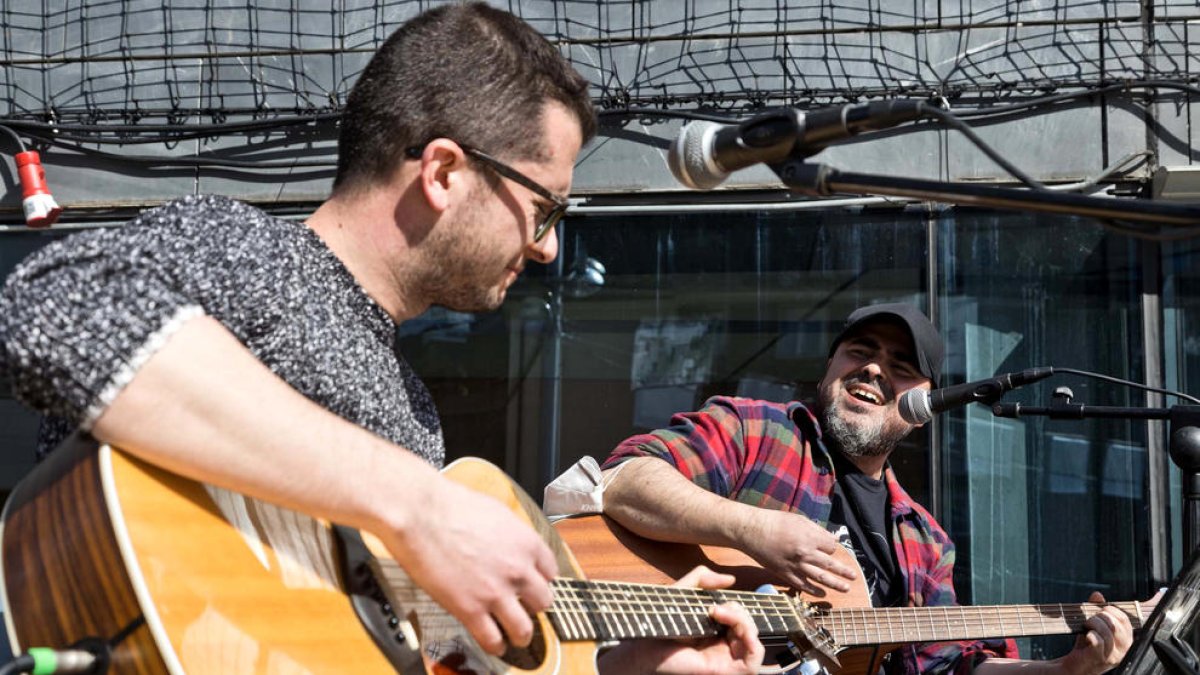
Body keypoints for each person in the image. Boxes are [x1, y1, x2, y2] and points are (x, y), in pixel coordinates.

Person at [0, 4, 760, 674]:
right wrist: (417, 505)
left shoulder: (413, 410)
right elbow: (51, 305)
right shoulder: (250, 252)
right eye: (545, 208)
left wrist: (622, 665)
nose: (547, 248)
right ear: (444, 171)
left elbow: (417, 646)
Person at [599, 302, 1136, 675]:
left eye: (901, 367)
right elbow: (623, 480)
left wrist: (1068, 667)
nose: (875, 368)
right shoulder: (757, 431)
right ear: (829, 368)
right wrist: (755, 528)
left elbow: (947, 666)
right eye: (859, 352)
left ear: (923, 409)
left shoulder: (926, 542)